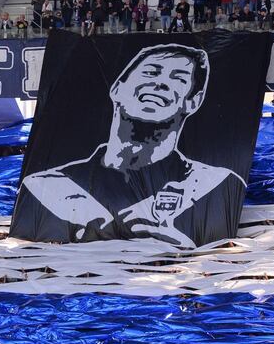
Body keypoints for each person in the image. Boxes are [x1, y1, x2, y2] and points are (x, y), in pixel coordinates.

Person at [16, 44, 243, 248]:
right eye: (151, 72)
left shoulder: (217, 186)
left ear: (193, 101)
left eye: (179, 78)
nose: (161, 83)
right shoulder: (44, 188)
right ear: (117, 88)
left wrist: (183, 254)